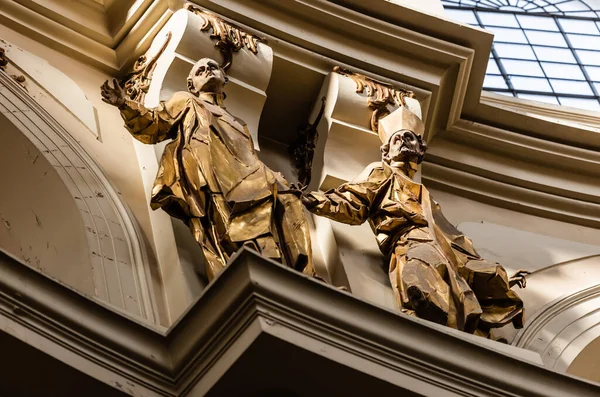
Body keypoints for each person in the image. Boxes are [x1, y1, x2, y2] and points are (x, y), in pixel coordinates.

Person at [101, 58, 317, 281]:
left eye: (212, 67)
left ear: (225, 78)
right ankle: (253, 267)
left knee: (288, 201)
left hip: (250, 176)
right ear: (191, 85)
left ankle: (302, 275)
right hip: (213, 176)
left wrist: (272, 175)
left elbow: (248, 155)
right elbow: (157, 122)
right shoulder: (186, 101)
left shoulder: (239, 122)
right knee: (233, 227)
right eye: (200, 70)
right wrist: (124, 104)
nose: (207, 71)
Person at [301, 124, 527, 337]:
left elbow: (455, 240)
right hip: (409, 241)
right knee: (418, 279)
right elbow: (353, 200)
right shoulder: (381, 172)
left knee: (452, 300)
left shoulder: (426, 197)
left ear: (421, 149)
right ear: (386, 152)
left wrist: (499, 278)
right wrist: (313, 200)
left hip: (441, 251)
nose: (401, 141)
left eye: (407, 137)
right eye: (396, 139)